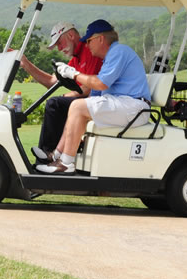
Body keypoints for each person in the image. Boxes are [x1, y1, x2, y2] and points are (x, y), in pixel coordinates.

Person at [37, 19, 150, 174]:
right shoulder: (109, 59)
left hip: (134, 107)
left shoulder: (119, 52)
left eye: (89, 41)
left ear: (100, 39)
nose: (87, 45)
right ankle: (56, 155)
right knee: (77, 107)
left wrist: (74, 74)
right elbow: (93, 92)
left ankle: (66, 164)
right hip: (124, 104)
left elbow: (101, 83)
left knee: (78, 106)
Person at [18, 21, 102, 161]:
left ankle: (47, 157)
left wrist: (68, 95)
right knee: (57, 102)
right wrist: (26, 65)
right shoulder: (76, 58)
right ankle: (50, 156)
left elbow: (89, 87)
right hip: (89, 101)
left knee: (55, 104)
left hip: (97, 100)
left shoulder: (89, 51)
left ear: (70, 35)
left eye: (59, 43)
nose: (59, 48)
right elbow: (52, 82)